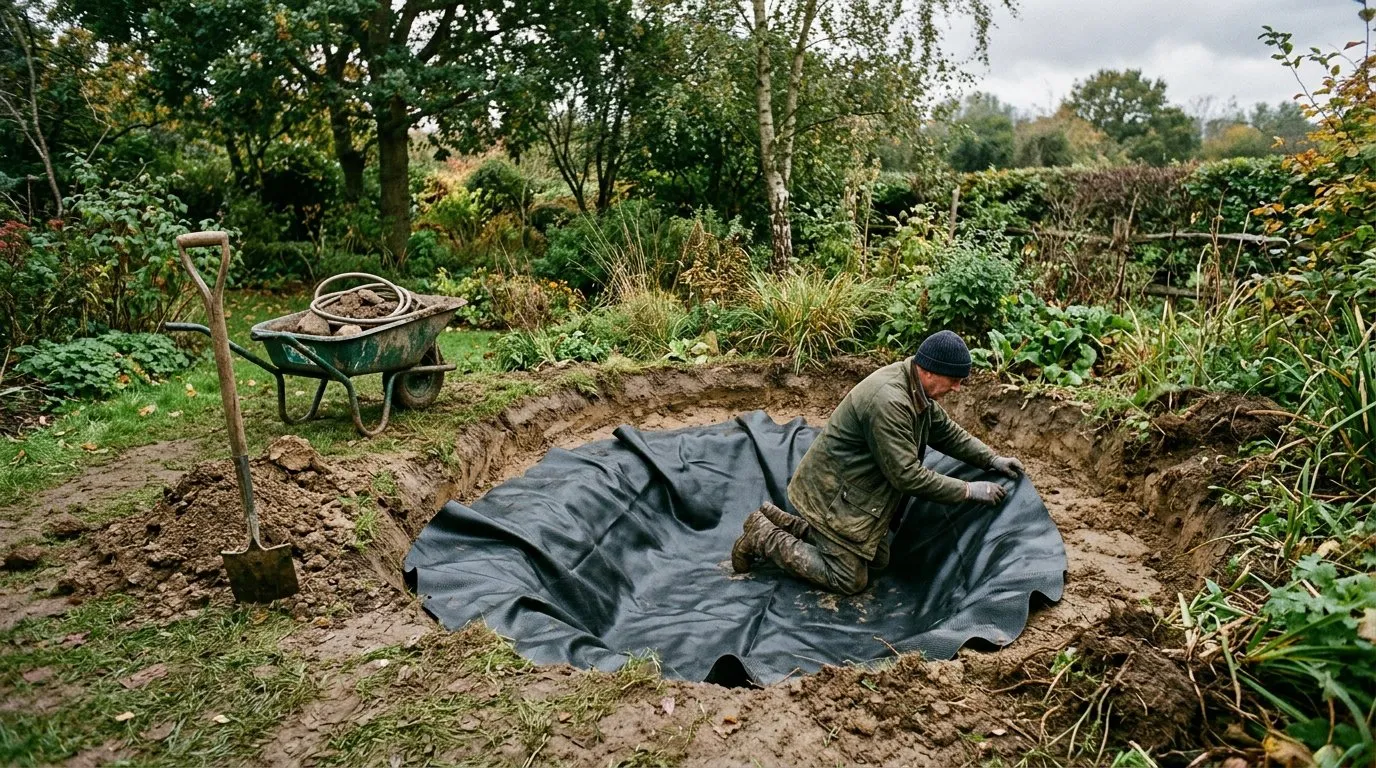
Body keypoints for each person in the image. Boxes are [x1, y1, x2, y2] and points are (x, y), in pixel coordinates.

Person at [730, 330, 1025, 595]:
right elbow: (906, 475)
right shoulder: (891, 402)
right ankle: (764, 536)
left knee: (878, 559)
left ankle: (782, 522)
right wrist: (968, 490)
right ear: (929, 372)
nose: (958, 389)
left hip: (853, 491)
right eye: (955, 381)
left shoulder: (914, 387)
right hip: (832, 495)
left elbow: (946, 432)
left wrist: (991, 458)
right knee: (848, 579)